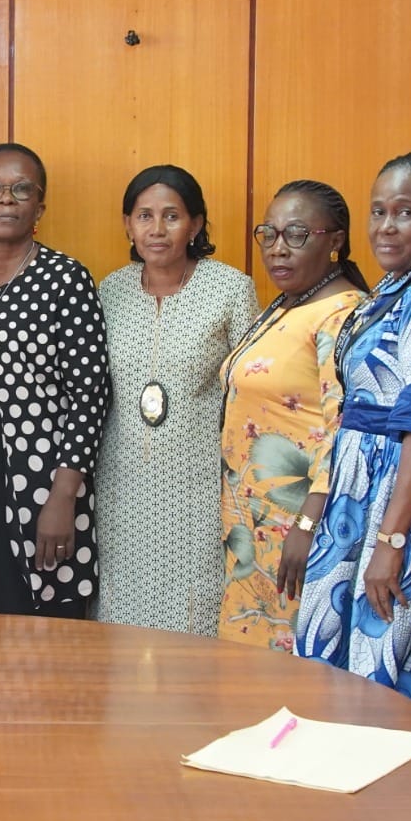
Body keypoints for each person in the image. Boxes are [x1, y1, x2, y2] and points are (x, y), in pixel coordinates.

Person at [294, 154, 411, 709]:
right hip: (360, 487)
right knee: (338, 661)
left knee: (386, 651)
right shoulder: (399, 285)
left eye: (405, 212)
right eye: (378, 211)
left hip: (396, 499)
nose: (386, 226)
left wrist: (391, 541)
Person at [0, 143, 109, 617]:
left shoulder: (66, 278)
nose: (5, 199)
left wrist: (63, 496)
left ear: (40, 206)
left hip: (39, 484)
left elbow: (90, 395)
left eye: (20, 189)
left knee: (42, 625)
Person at [94, 165, 258, 635]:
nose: (157, 229)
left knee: (195, 613)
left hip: (199, 487)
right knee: (122, 620)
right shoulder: (111, 291)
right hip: (120, 485)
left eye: (171, 216)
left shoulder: (229, 288)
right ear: (128, 224)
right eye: (144, 216)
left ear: (196, 224)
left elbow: (248, 393)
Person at [217, 180, 368, 649]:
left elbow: (342, 429)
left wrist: (307, 527)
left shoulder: (340, 313)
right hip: (254, 527)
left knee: (291, 665)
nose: (278, 249)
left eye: (297, 235)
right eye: (270, 234)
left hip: (300, 529)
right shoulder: (289, 303)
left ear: (335, 241)